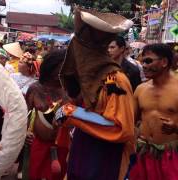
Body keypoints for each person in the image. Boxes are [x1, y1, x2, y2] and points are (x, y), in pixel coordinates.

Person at [57, 7, 135, 180]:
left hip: (103, 161)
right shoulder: (90, 80)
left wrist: (74, 113)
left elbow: (121, 127)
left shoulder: (113, 79)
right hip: (82, 153)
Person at [130, 43, 178, 180]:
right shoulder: (140, 89)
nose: (143, 65)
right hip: (144, 155)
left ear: (164, 62)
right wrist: (136, 136)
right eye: (142, 61)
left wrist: (175, 127)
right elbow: (131, 122)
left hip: (171, 157)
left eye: (148, 61)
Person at [25, 49, 71, 180]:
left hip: (63, 147)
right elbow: (24, 115)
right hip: (39, 145)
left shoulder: (70, 89)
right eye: (59, 69)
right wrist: (25, 133)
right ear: (50, 68)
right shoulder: (35, 88)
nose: (62, 73)